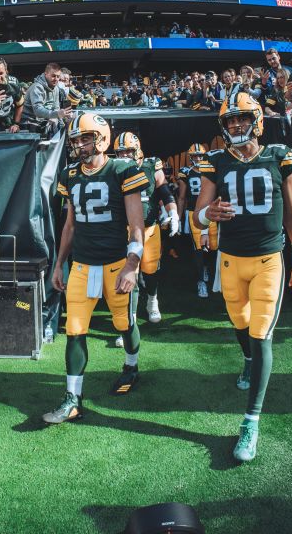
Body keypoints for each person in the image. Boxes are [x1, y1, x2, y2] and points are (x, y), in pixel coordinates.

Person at [193, 90, 292, 462]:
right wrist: (208, 214)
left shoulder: (279, 155)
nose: (237, 125)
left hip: (268, 260)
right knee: (240, 324)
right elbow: (197, 214)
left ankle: (250, 421)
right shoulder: (216, 161)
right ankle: (247, 360)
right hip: (230, 259)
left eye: (242, 118)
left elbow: (291, 212)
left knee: (261, 334)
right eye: (231, 121)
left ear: (257, 119)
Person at [42, 113, 151, 426]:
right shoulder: (70, 174)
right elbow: (70, 224)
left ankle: (131, 366)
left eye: (85, 137)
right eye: (75, 139)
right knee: (75, 330)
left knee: (123, 323)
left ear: (102, 138)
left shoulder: (122, 169)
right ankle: (72, 398)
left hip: (117, 263)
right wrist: (59, 263)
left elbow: (136, 224)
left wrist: (132, 264)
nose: (79, 144)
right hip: (82, 265)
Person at [112, 132, 179, 326]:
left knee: (150, 270)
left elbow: (164, 192)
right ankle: (129, 317)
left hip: (149, 228)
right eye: (120, 152)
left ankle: (152, 301)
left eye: (128, 151)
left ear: (138, 150)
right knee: (128, 272)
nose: (124, 156)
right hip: (124, 229)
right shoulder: (114, 171)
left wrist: (173, 212)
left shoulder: (151, 165)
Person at [175, 143, 217, 299]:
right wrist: (178, 218)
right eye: (195, 156)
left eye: (200, 155)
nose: (198, 158)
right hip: (194, 213)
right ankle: (201, 281)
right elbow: (181, 197)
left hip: (211, 212)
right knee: (198, 248)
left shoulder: (212, 170)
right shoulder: (186, 173)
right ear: (190, 157)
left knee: (214, 246)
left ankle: (207, 268)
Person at [24, 62, 66, 133]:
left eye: (58, 76)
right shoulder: (36, 87)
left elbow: (56, 108)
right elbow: (37, 110)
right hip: (29, 122)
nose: (56, 79)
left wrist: (62, 126)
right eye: (53, 76)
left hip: (42, 122)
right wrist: (56, 114)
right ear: (46, 74)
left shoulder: (56, 88)